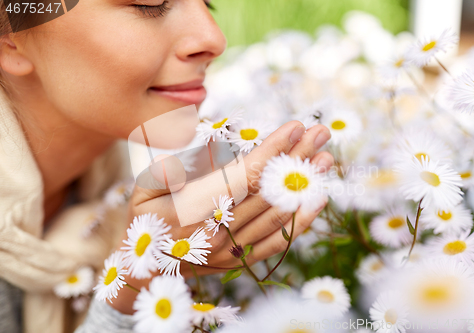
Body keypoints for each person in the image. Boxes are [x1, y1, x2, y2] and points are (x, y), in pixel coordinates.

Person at [0, 0, 334, 332]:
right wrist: (137, 279)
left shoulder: (123, 181)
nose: (215, 40)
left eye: (208, 3)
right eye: (150, 4)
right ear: (11, 38)